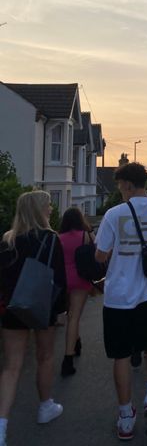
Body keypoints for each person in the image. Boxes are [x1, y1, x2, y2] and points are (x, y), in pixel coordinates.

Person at [95, 162, 147, 441]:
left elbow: (100, 255)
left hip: (118, 295)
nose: (119, 191)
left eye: (120, 186)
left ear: (129, 185)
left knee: (120, 355)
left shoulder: (113, 214)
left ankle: (126, 417)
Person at [0, 191, 67, 446]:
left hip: (13, 307)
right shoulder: (51, 239)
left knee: (11, 366)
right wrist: (61, 311)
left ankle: (1, 427)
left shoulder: (8, 240)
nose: (51, 209)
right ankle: (45, 406)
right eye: (48, 205)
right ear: (38, 210)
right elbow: (59, 279)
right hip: (43, 306)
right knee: (45, 356)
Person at [58, 207, 96, 377]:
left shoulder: (59, 238)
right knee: (74, 316)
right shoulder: (85, 236)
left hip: (62, 279)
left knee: (70, 314)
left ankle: (77, 341)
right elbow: (97, 252)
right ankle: (68, 358)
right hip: (80, 279)